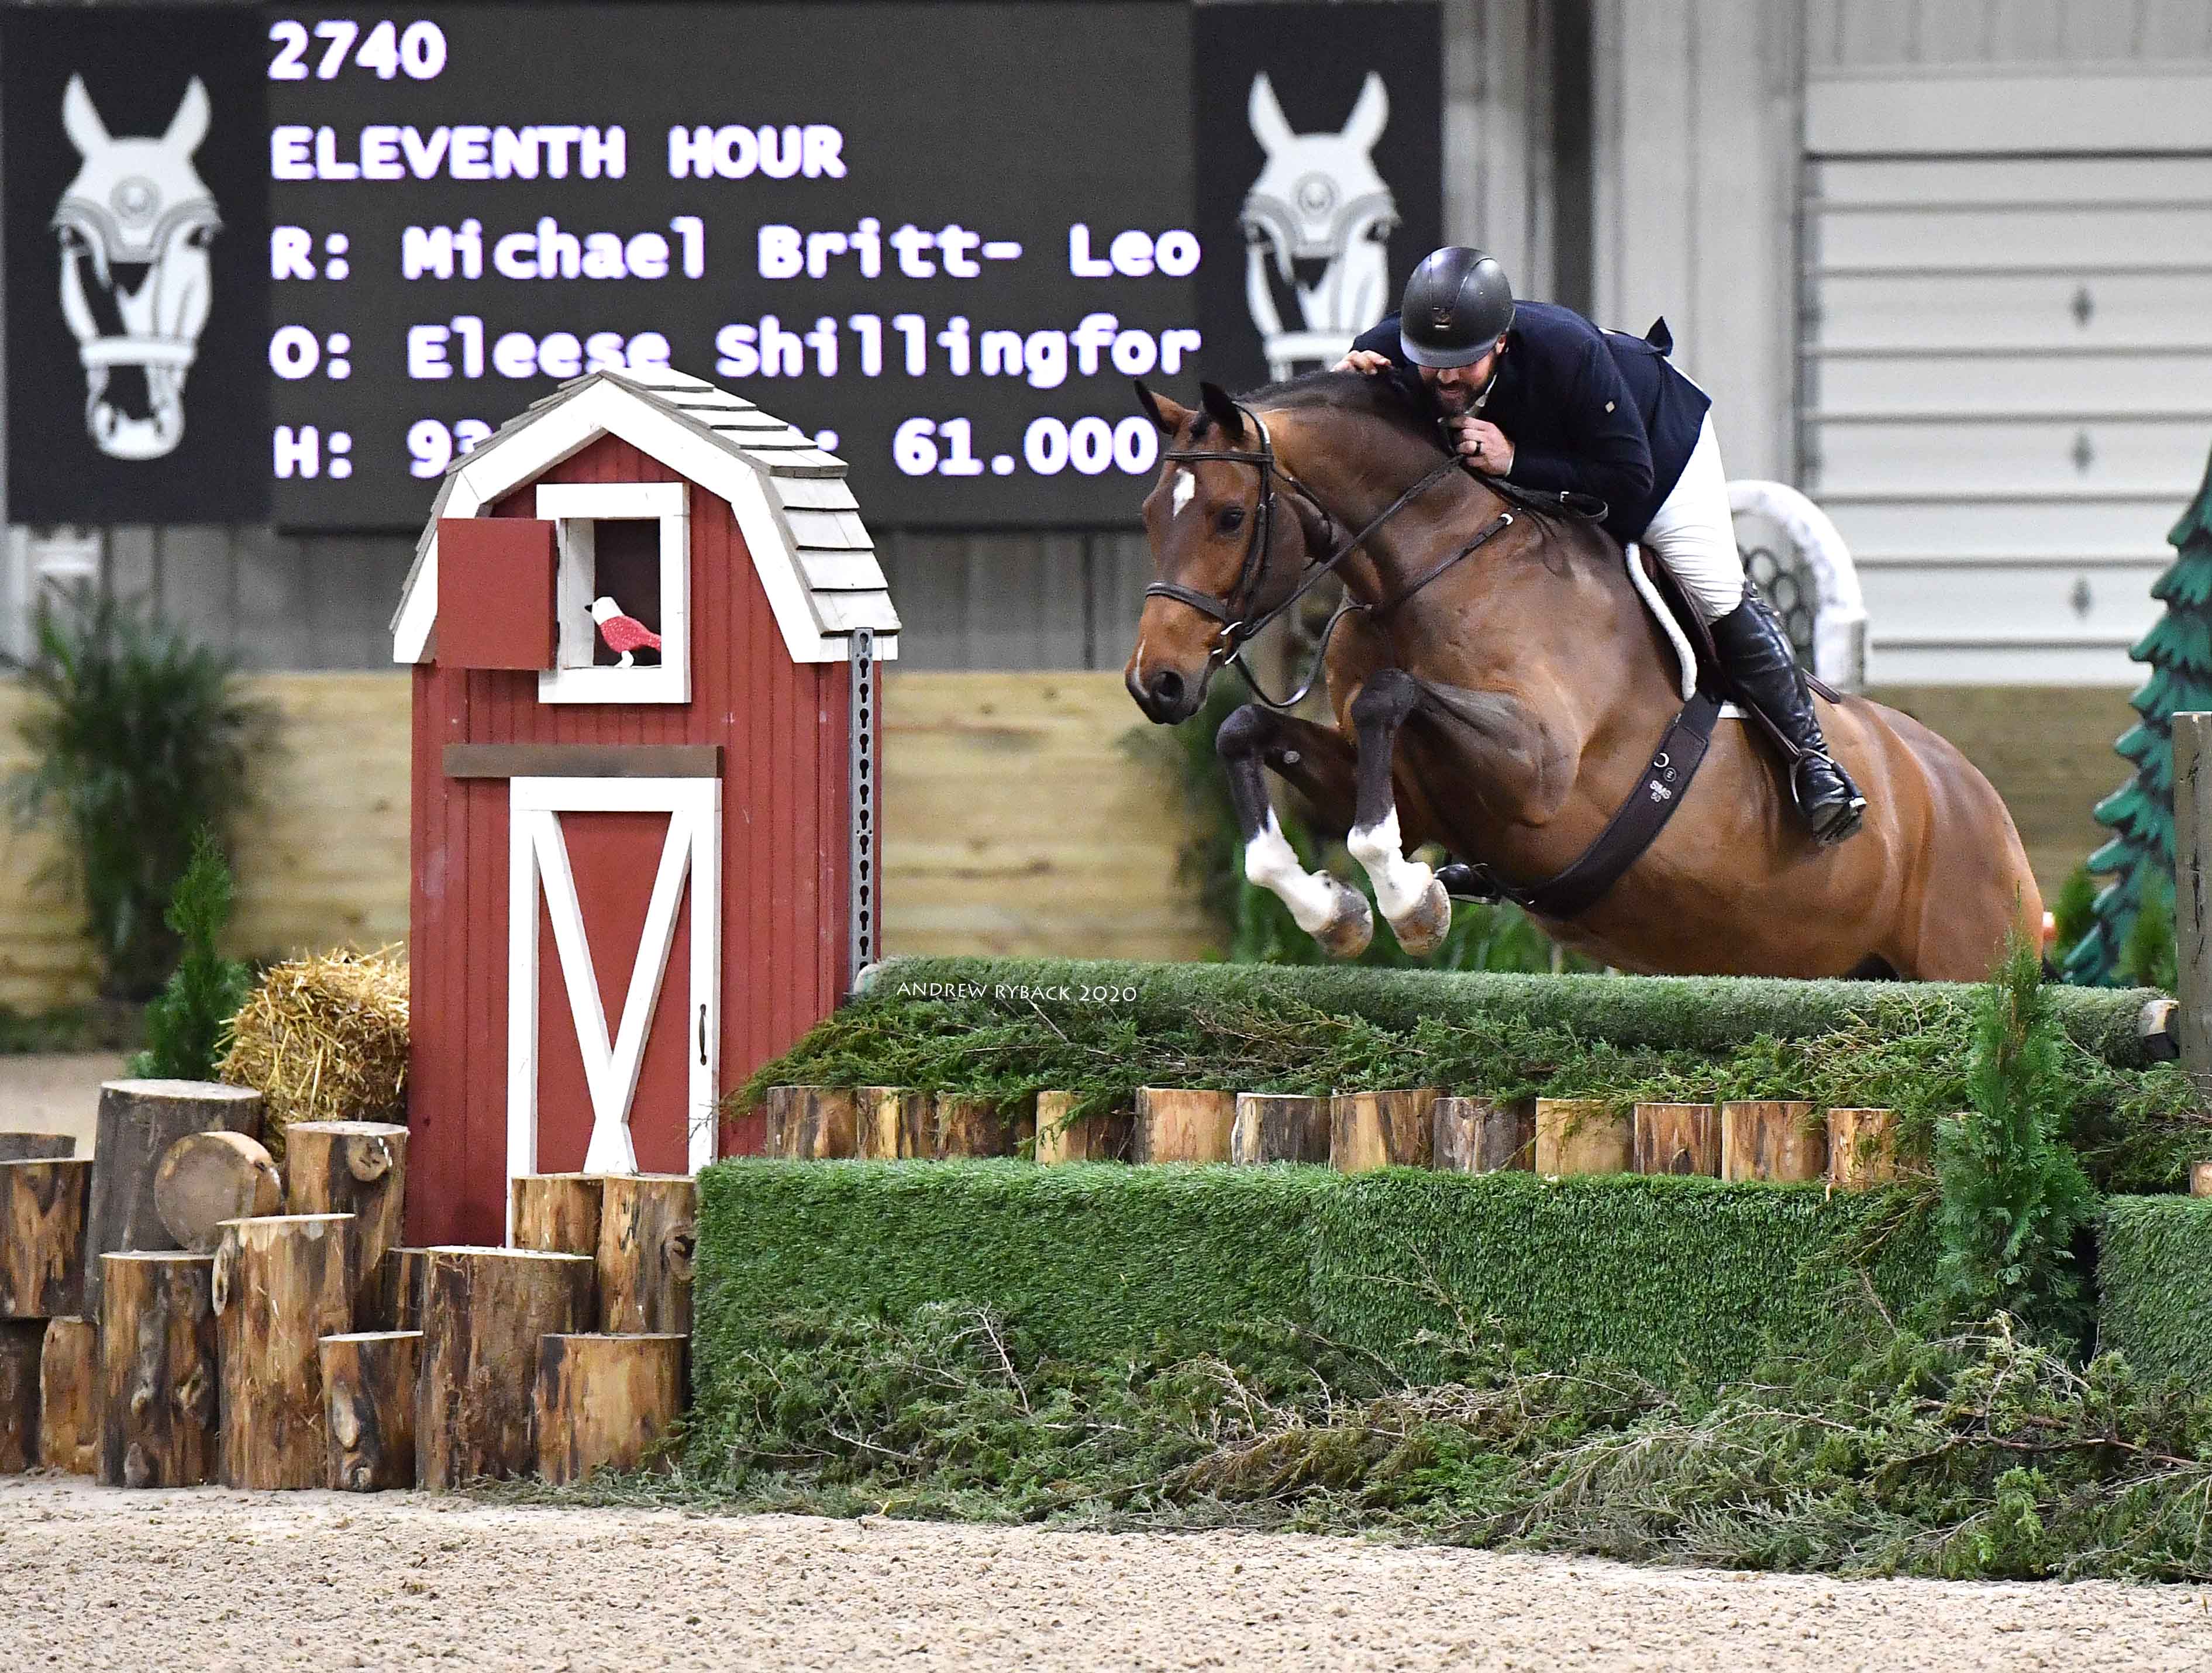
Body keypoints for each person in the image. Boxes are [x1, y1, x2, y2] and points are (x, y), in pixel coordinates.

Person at [1335, 246, 1865, 845]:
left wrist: (1516, 460)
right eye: (1432, 363)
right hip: (1529, 479)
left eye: (1464, 362)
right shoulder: (1392, 349)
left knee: (1712, 590)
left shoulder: (1568, 352)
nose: (1447, 378)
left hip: (1651, 456)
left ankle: (1814, 764)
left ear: (1501, 344)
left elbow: (1627, 476)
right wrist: (1350, 391)